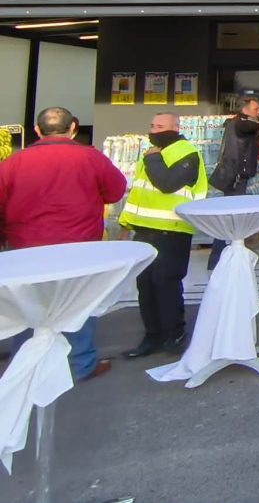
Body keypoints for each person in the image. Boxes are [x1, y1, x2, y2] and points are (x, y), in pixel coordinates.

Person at [0, 106, 127, 381]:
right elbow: (115, 191)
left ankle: (25, 366)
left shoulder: (13, 163)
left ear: (37, 130)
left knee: (30, 306)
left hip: (27, 249)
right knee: (79, 303)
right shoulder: (90, 157)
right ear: (73, 128)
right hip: (79, 247)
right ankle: (80, 365)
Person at [120, 112, 208, 359]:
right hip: (143, 230)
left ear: (176, 128)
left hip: (173, 230)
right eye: (152, 125)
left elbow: (167, 184)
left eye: (160, 126)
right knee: (145, 285)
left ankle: (174, 334)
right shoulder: (152, 153)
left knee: (165, 283)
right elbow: (138, 194)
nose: (154, 130)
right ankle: (152, 336)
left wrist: (153, 159)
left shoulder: (186, 153)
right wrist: (125, 224)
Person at [206, 96, 259, 270]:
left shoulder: (238, 123)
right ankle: (219, 255)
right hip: (235, 176)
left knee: (233, 215)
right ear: (245, 110)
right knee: (231, 216)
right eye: (256, 109)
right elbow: (247, 126)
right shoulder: (240, 122)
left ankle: (227, 252)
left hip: (236, 175)